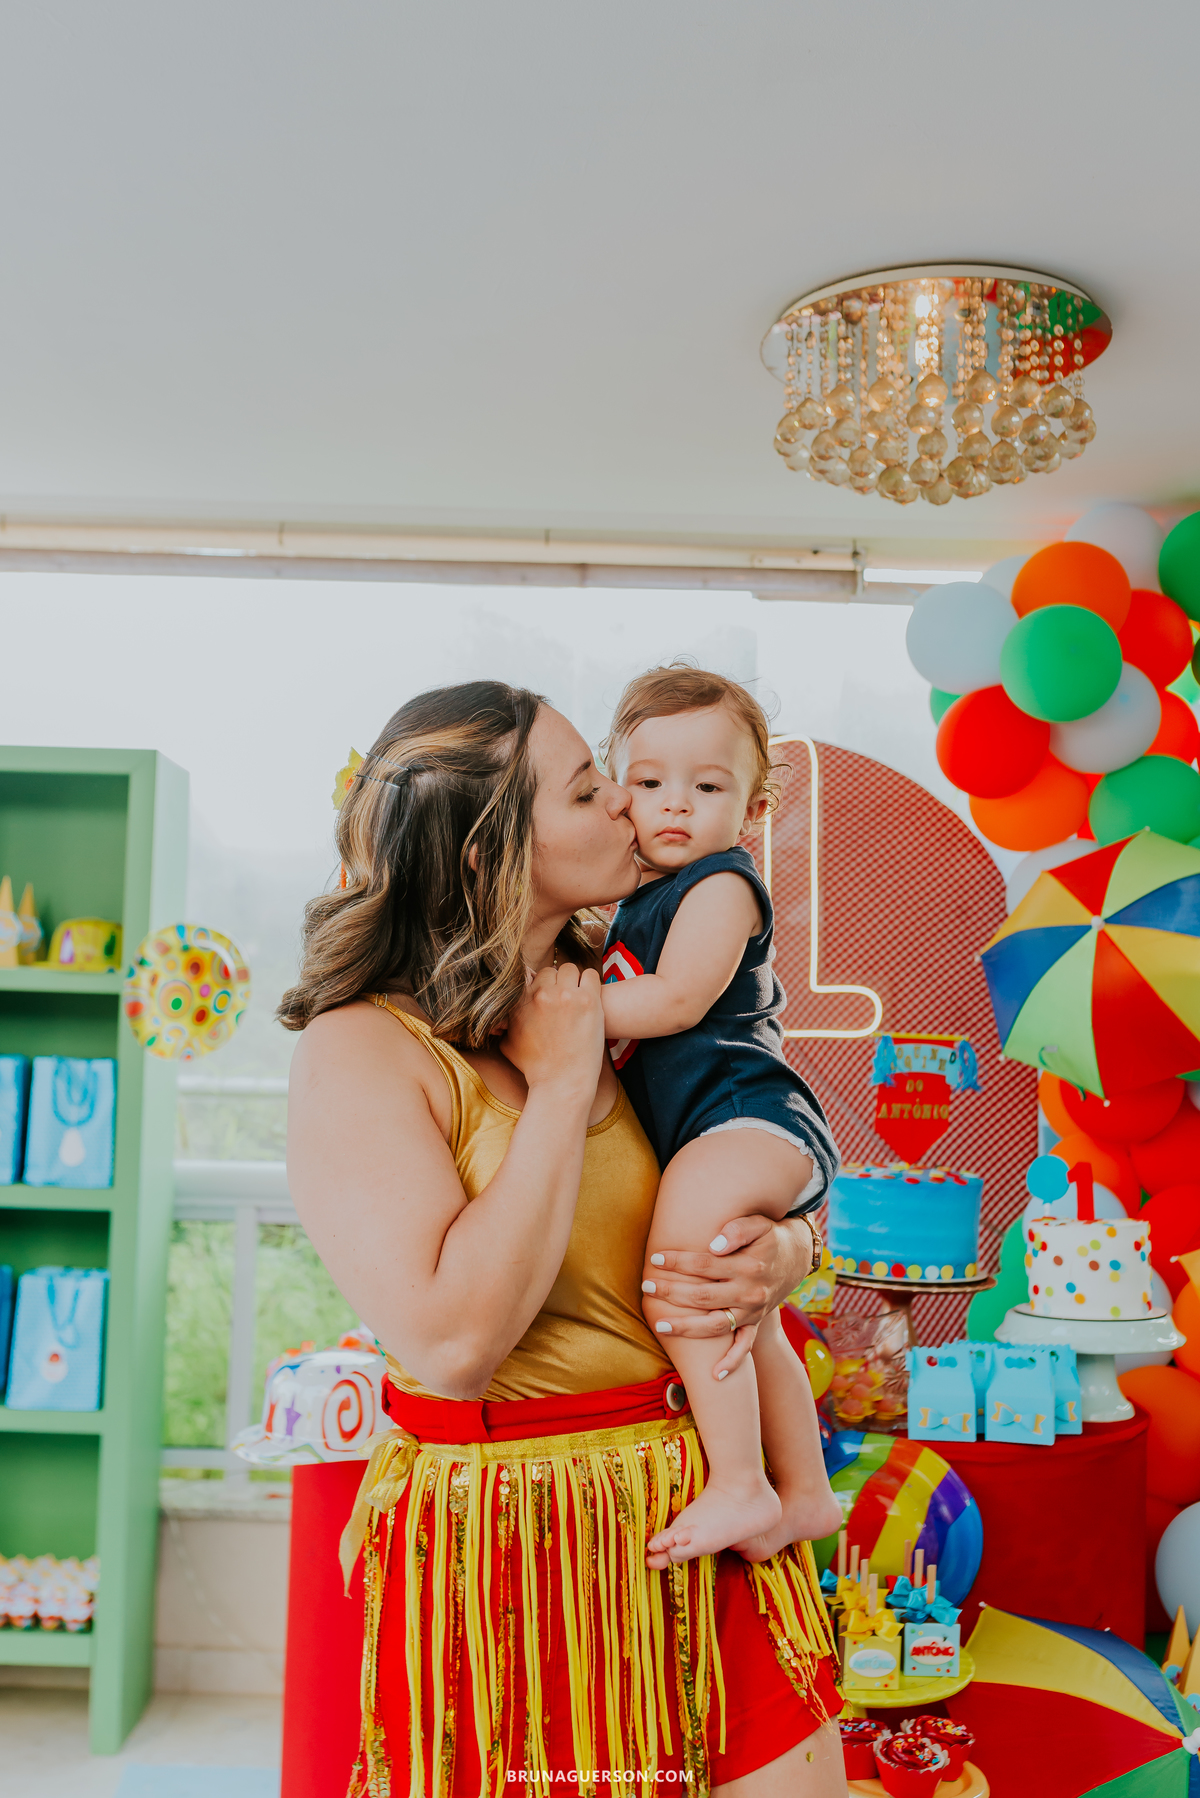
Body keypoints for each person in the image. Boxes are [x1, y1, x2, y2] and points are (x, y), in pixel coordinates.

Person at [281, 681, 844, 1798]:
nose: (634, 813)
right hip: (523, 1558)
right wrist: (555, 1079)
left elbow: (720, 1175)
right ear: (491, 855)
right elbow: (452, 1345)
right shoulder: (365, 1047)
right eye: (593, 790)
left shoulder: (604, 987)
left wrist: (788, 1252)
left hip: (700, 1517)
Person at [598, 664, 842, 1568]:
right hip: (714, 1128)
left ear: (752, 809)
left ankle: (741, 1482)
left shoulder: (720, 887)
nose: (675, 806)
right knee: (752, 1318)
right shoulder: (626, 898)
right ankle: (807, 1492)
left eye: (708, 788)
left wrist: (541, 1008)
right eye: (650, 781)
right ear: (613, 786)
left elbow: (667, 1003)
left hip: (745, 1118)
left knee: (681, 1286)